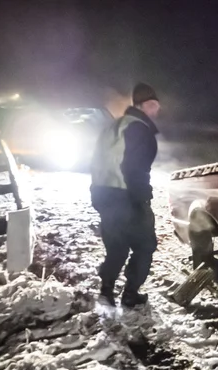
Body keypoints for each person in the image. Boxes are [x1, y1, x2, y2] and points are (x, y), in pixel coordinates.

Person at [91, 83, 161, 307]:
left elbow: (96, 161)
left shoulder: (113, 126)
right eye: (153, 105)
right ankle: (131, 293)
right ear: (144, 105)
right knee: (145, 246)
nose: (156, 110)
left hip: (103, 194)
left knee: (116, 246)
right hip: (127, 197)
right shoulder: (139, 129)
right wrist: (142, 199)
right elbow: (135, 169)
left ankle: (106, 290)